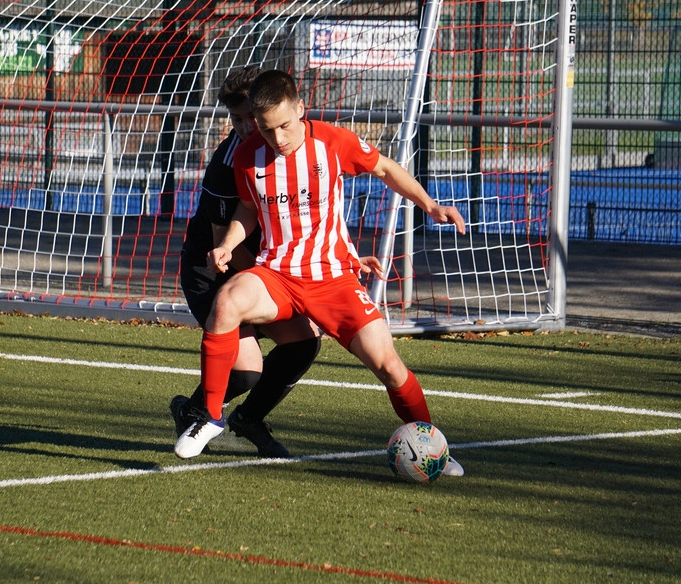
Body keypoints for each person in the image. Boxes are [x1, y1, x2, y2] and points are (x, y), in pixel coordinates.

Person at [174, 69, 467, 478]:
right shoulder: (245, 156)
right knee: (227, 302)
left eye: (283, 126)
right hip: (276, 274)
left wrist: (430, 206)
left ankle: (434, 448)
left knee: (388, 364)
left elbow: (384, 169)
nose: (276, 138)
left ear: (300, 109)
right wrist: (227, 244)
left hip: (332, 279)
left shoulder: (333, 142)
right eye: (266, 129)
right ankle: (209, 416)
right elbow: (247, 210)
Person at [173, 65, 321, 458]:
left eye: (249, 118)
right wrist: (284, 282)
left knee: (304, 343)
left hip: (261, 269)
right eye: (235, 119)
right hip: (216, 273)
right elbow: (228, 248)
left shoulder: (291, 147)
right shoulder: (229, 164)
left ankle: (249, 419)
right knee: (247, 370)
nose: (243, 127)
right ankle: (194, 411)